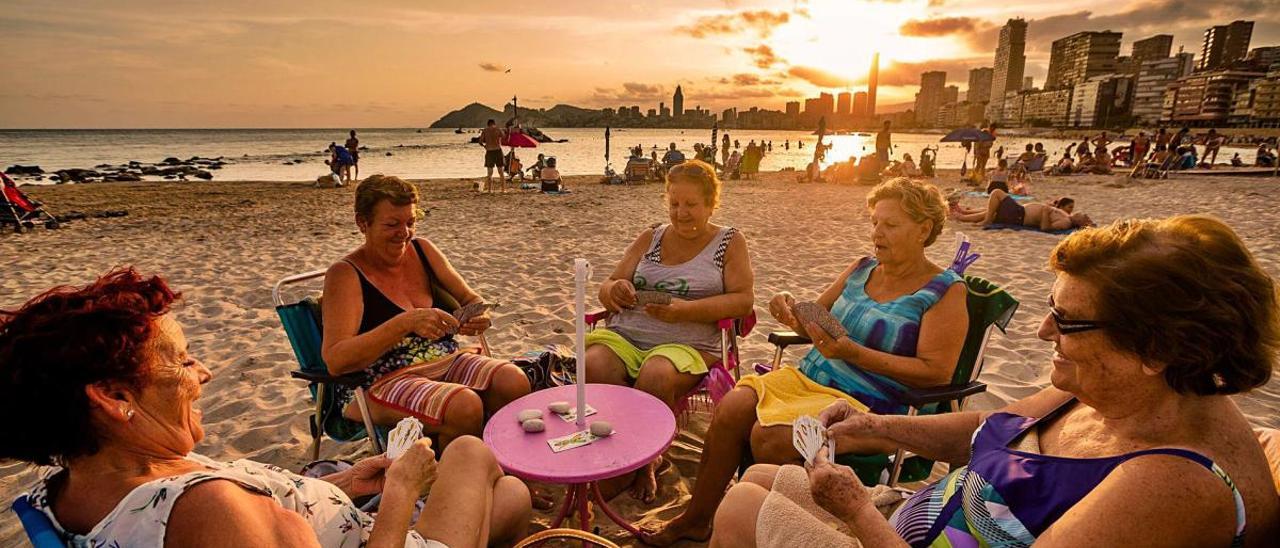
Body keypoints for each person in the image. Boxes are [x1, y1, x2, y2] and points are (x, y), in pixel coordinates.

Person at [711, 215, 1280, 547]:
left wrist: (858, 511)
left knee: (740, 509)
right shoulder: (1117, 390)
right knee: (764, 473)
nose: (1041, 329)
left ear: (1156, 348)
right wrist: (874, 424)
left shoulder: (1170, 484)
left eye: (1069, 320)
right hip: (927, 519)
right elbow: (991, 428)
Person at [0, 269, 533, 547]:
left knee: (508, 495)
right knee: (469, 452)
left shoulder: (73, 491)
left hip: (348, 520)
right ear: (115, 398)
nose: (203, 373)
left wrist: (343, 486)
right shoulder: (208, 512)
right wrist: (399, 492)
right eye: (183, 362)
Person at [641, 178, 968, 545]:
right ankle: (697, 519)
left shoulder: (944, 291)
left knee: (771, 437)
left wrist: (853, 354)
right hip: (809, 380)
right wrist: (788, 307)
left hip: (869, 407)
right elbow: (811, 318)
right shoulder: (862, 268)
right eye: (875, 222)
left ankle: (766, 527)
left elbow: (936, 372)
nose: (877, 232)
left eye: (890, 225)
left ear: (924, 229)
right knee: (733, 406)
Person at [586, 159, 754, 504]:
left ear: (711, 204)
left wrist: (685, 311)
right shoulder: (651, 236)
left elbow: (743, 301)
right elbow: (609, 283)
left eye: (692, 204)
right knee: (593, 364)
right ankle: (614, 449)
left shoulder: (729, 242)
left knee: (657, 373)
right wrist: (614, 290)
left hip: (689, 342)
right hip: (628, 334)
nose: (682, 213)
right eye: (674, 204)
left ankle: (646, 461)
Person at [321, 175, 530, 447]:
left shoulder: (422, 249)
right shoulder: (346, 274)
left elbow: (469, 298)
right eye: (392, 224)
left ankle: (501, 460)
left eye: (410, 222)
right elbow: (336, 360)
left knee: (513, 381)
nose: (404, 233)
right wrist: (405, 323)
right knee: (463, 405)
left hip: (444, 360)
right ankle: (454, 478)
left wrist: (479, 316)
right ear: (363, 223)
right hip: (379, 381)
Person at [954, 188, 1093, 231]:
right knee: (993, 209)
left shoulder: (1066, 223)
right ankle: (961, 215)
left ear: (1080, 223)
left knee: (997, 193)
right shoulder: (1066, 216)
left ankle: (986, 220)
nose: (1083, 214)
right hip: (1019, 213)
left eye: (1084, 217)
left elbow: (1045, 228)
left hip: (1020, 216)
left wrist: (1045, 211)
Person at [479, 119, 504, 192]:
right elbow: (504, 136)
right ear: (494, 123)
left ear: (488, 124)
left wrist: (485, 146)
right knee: (501, 172)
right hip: (498, 150)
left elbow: (480, 141)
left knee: (489, 173)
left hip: (489, 151)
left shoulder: (485, 130)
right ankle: (503, 189)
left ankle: (490, 190)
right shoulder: (498, 129)